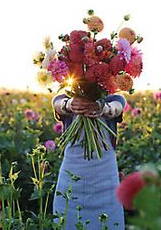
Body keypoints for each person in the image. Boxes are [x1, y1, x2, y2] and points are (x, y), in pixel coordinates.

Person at [52, 93, 126, 229]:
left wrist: (103, 109)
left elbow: (118, 107)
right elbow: (57, 103)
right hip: (71, 182)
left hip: (105, 183)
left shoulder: (113, 100)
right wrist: (70, 105)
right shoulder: (67, 98)